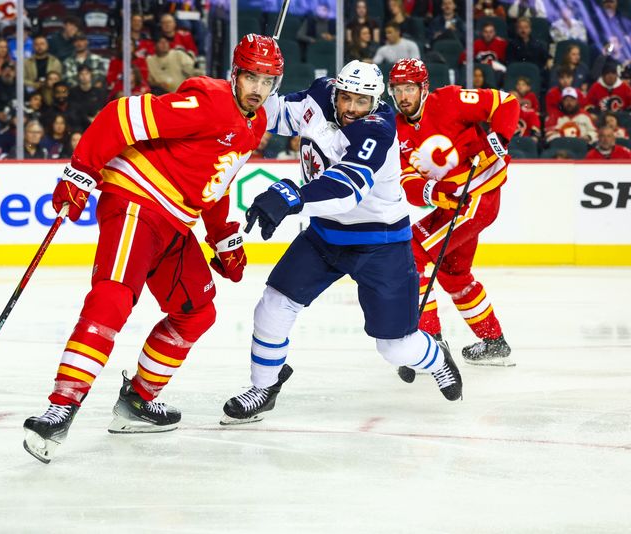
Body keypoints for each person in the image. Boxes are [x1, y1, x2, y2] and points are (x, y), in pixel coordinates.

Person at [22, 34, 285, 463]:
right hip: (136, 203)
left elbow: (214, 180)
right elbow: (121, 115)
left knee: (197, 311)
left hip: (176, 222)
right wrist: (80, 171)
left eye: (268, 80)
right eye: (251, 76)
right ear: (235, 74)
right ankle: (61, 406)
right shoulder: (208, 100)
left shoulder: (253, 125)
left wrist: (223, 237)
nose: (258, 88)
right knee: (112, 297)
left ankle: (138, 402)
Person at [220, 61, 464, 426]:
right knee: (273, 305)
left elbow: (345, 189)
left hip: (380, 243)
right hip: (324, 237)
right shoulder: (320, 94)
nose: (351, 108)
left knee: (395, 348)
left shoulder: (377, 130)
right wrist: (244, 101)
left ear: (376, 101)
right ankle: (264, 387)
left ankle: (436, 356)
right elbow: (279, 113)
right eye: (346, 98)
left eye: (361, 102)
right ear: (336, 90)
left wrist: (290, 196)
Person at [388, 58, 519, 370]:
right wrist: (434, 193)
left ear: (424, 88)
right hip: (453, 203)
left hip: (477, 195)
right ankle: (494, 341)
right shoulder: (396, 130)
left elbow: (506, 102)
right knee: (453, 272)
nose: (404, 96)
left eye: (410, 88)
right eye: (398, 90)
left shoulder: (449, 100)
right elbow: (407, 180)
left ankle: (429, 342)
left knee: (412, 254)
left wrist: (498, 138)